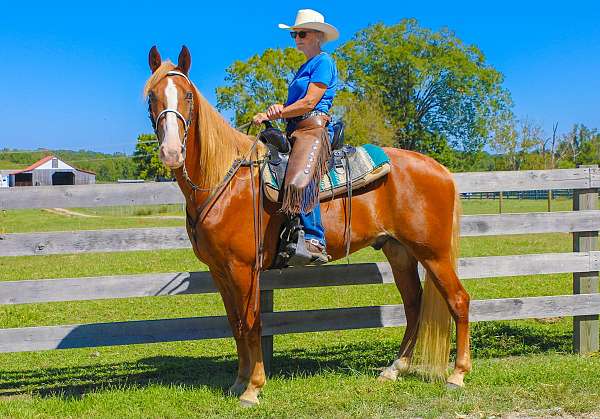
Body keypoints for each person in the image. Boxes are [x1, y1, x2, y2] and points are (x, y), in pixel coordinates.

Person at [253, 9, 339, 264]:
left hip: (314, 129)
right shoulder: (304, 66)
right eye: (294, 34)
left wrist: (281, 112)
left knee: (300, 174)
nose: (296, 38)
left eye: (301, 33)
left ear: (317, 36)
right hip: (296, 129)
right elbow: (294, 105)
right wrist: (276, 111)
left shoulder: (324, 62)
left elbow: (310, 101)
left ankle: (314, 240)